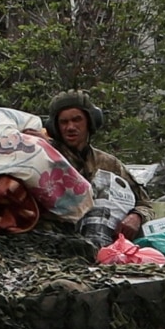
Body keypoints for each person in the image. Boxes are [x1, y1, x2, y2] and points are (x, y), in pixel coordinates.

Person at [45, 90, 150, 240]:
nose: (70, 127)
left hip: (100, 240)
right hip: (54, 237)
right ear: (55, 127)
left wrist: (136, 216)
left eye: (77, 120)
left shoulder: (108, 163)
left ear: (89, 121)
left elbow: (144, 203)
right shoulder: (45, 155)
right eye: (64, 122)